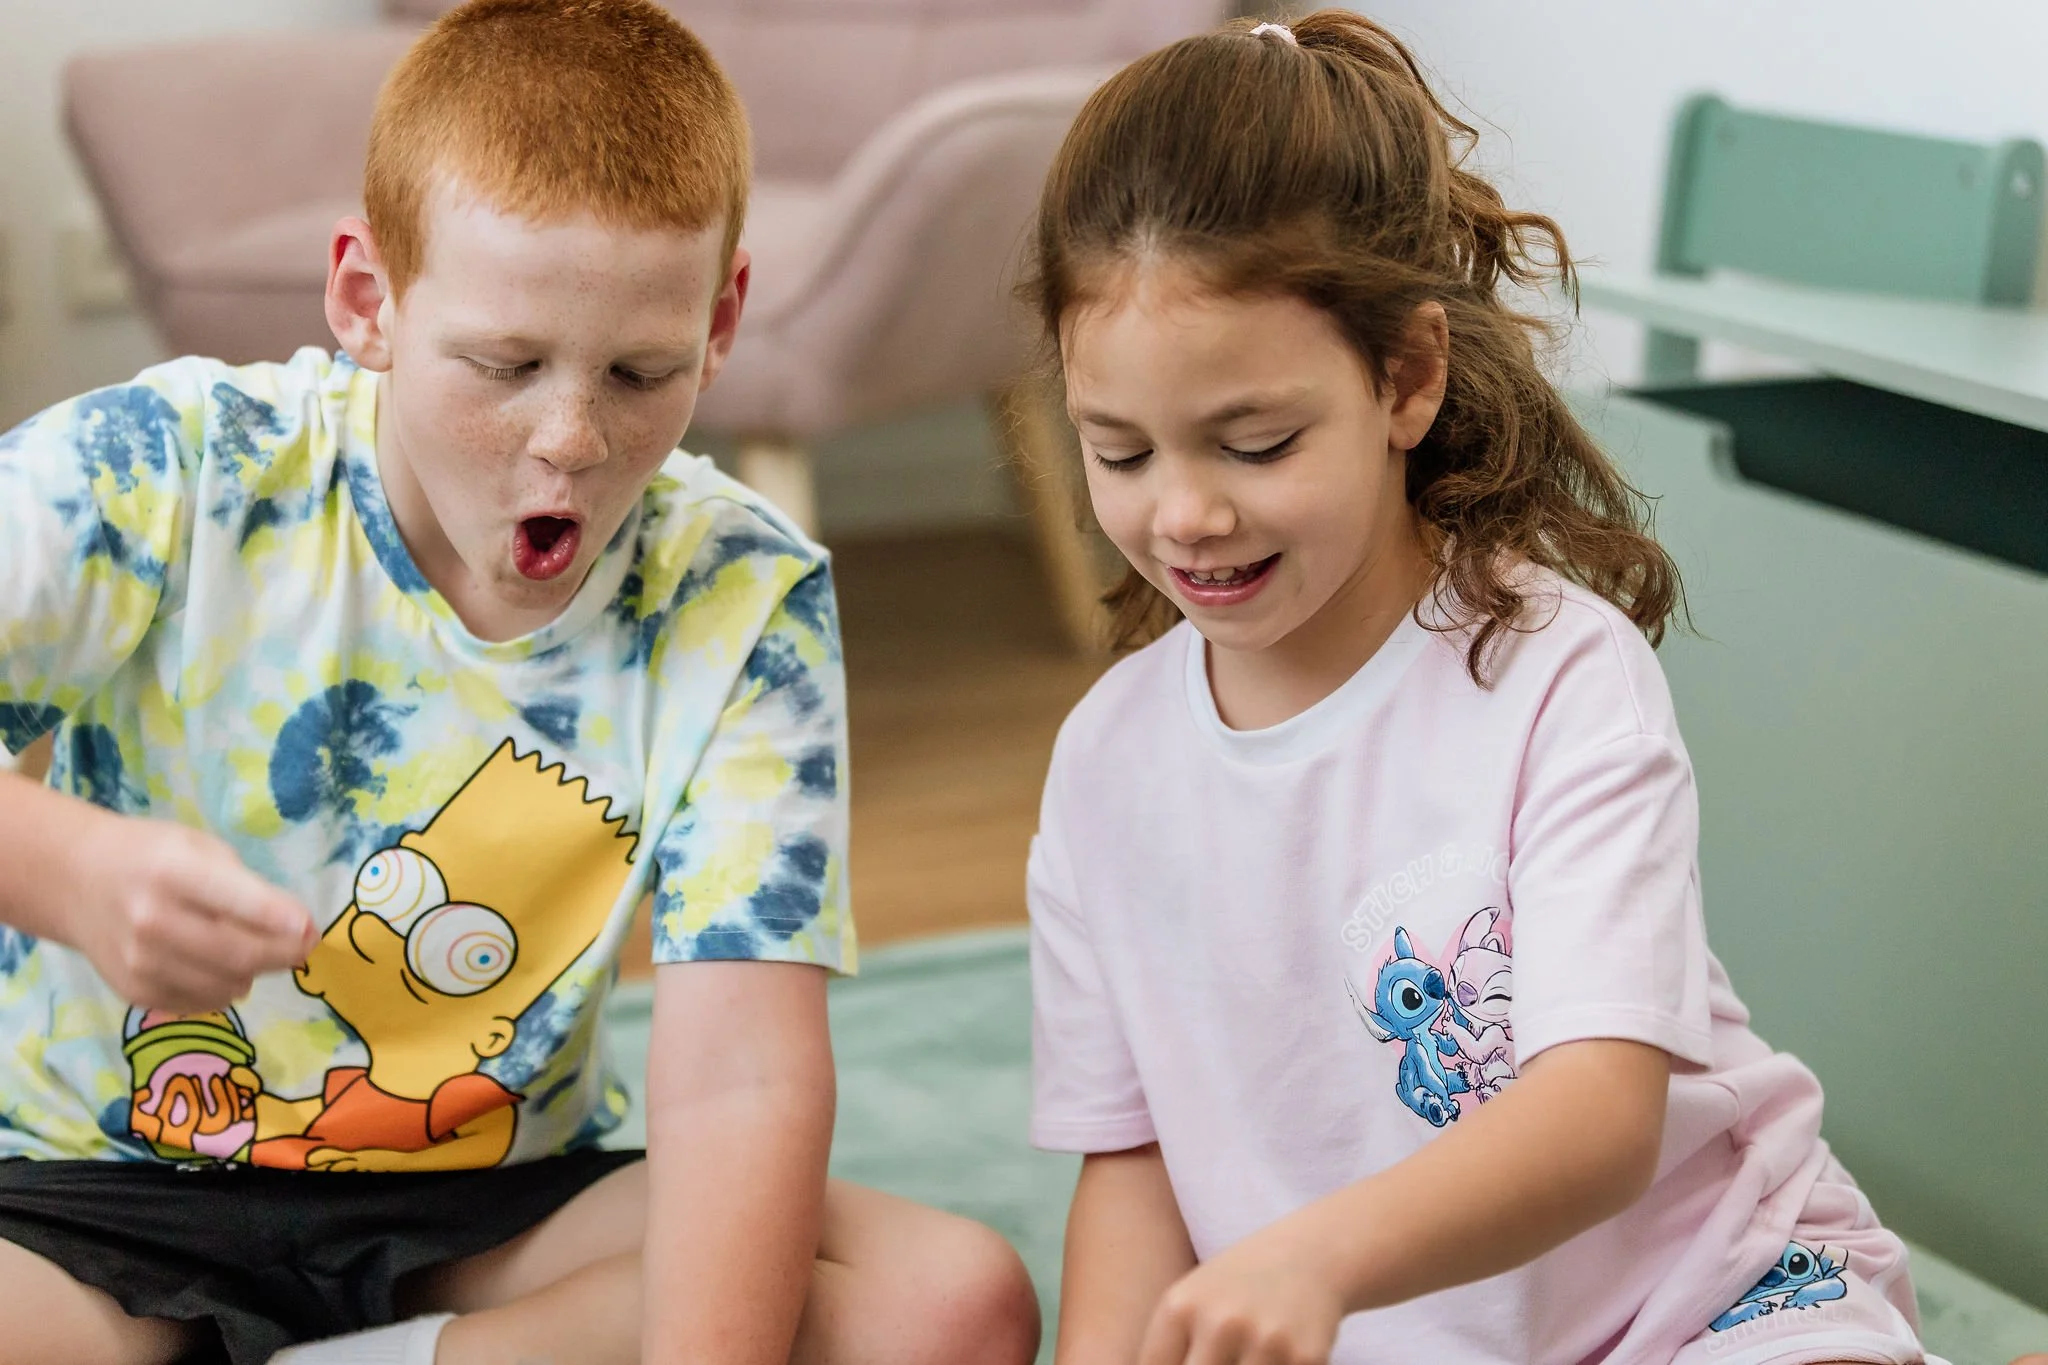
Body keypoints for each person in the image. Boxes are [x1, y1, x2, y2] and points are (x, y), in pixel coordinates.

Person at [0, 2, 1040, 1362]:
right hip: (89, 1190)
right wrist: (64, 867)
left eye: (641, 370)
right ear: (368, 301)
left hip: (492, 1209)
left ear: (722, 321)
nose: (572, 438)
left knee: (948, 1305)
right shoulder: (167, 464)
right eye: (504, 367)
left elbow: (743, 1073)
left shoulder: (741, 594)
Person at [1022, 13, 2003, 1365]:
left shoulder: (1556, 675)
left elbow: (1599, 1122)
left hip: (1706, 1307)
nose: (1183, 513)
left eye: (1255, 442)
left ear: (1407, 378)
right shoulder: (1104, 768)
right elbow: (1128, 1165)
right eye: (1118, 452)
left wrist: (1318, 1254)